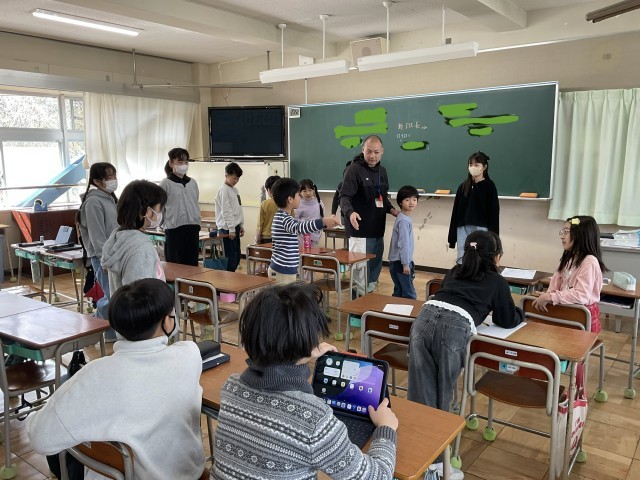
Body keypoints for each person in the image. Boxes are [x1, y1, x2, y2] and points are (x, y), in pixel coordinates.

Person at [211, 283, 398, 479]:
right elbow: (378, 476)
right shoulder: (314, 419)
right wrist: (386, 428)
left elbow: (278, 386)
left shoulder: (231, 387)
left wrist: (305, 352)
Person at [27, 278, 205, 480]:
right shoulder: (189, 355)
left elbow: (39, 437)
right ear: (166, 322)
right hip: (190, 474)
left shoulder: (96, 374)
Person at [408, 230, 523, 412]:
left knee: (420, 386)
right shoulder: (497, 281)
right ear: (496, 257)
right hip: (454, 327)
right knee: (444, 387)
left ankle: (420, 425)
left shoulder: (455, 271)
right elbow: (506, 320)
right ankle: (441, 427)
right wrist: (520, 313)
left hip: (424, 317)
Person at [339, 136, 398, 294]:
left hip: (377, 230)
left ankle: (367, 303)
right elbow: (344, 197)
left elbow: (382, 197)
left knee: (373, 274)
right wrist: (350, 213)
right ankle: (356, 307)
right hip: (360, 232)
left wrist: (393, 210)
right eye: (369, 151)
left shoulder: (382, 171)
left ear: (382, 151)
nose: (372, 156)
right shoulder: (354, 170)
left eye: (376, 152)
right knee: (360, 276)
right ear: (363, 150)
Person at [532, 215, 606, 333]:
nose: (562, 236)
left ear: (581, 235)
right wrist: (548, 294)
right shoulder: (569, 258)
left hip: (582, 317)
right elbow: (555, 285)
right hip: (567, 311)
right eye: (563, 231)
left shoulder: (589, 261)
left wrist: (551, 297)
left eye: (566, 232)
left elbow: (581, 295)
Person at [269, 178, 340, 284]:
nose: (300, 197)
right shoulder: (284, 219)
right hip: (282, 271)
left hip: (284, 270)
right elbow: (301, 227)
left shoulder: (282, 216)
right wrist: (323, 222)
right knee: (284, 295)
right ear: (290, 199)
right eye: (298, 194)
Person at [101, 180, 167, 294]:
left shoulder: (119, 237)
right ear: (147, 211)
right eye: (159, 209)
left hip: (122, 305)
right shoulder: (140, 247)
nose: (160, 214)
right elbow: (139, 296)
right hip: (144, 306)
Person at [77, 162, 118, 341]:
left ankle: (106, 329)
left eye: (114, 176)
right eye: (109, 177)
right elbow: (97, 236)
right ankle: (106, 332)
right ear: (96, 181)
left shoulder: (109, 198)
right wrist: (105, 259)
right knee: (109, 295)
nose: (113, 180)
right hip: (102, 257)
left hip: (113, 254)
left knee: (113, 294)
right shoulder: (93, 202)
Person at [447, 151, 499, 262]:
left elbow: (494, 214)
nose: (473, 167)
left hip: (482, 228)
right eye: (470, 165)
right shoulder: (463, 187)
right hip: (463, 228)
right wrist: (452, 239)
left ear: (484, 167)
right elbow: (455, 212)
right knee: (462, 258)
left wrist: (495, 241)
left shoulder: (489, 186)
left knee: (481, 259)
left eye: (476, 165)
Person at [159, 147, 201, 266]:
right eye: (180, 161)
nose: (184, 165)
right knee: (175, 264)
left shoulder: (192, 182)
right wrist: (162, 224)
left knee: (192, 264)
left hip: (192, 227)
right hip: (174, 228)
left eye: (186, 162)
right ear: (171, 163)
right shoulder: (165, 183)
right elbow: (160, 207)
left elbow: (195, 201)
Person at [388, 185, 418, 299]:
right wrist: (406, 264)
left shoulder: (402, 217)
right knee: (409, 294)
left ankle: (394, 309)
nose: (411, 202)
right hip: (401, 262)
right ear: (400, 202)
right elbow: (404, 243)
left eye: (414, 199)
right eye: (407, 200)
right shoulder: (404, 220)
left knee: (399, 292)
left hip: (396, 261)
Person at [215, 162, 244, 272]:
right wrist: (231, 229)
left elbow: (239, 208)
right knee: (230, 256)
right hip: (227, 228)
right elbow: (226, 211)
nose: (236, 181)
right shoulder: (223, 189)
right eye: (234, 178)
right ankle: (228, 278)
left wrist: (241, 224)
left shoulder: (235, 190)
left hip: (235, 226)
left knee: (236, 254)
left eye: (238, 178)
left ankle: (232, 276)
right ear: (226, 175)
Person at [296, 178, 325, 248]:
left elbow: (322, 218)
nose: (308, 193)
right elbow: (295, 220)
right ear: (299, 192)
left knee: (313, 254)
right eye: (304, 191)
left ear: (314, 190)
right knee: (303, 254)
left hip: (315, 237)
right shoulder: (298, 204)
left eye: (310, 190)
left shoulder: (319, 202)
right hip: (302, 238)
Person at [255, 175, 280, 245]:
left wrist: (257, 239)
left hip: (267, 237)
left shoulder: (265, 204)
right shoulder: (288, 203)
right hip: (282, 237)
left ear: (269, 190)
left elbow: (260, 224)